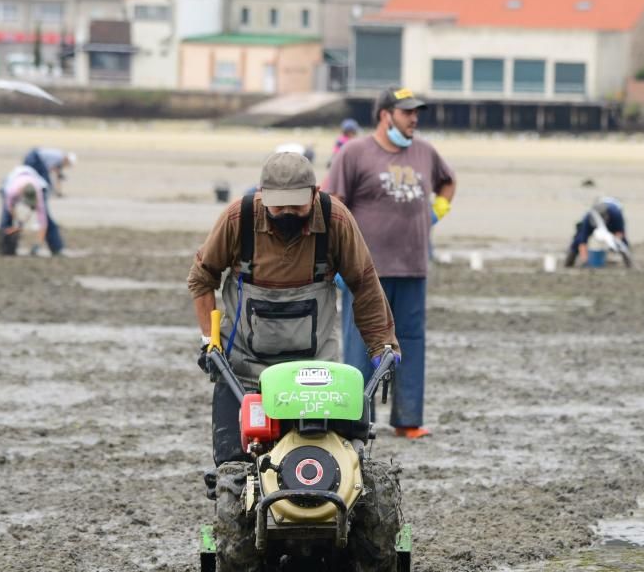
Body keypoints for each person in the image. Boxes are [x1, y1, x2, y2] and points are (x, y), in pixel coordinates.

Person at [187, 151, 401, 466]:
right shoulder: (239, 219)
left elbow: (365, 283)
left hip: (315, 374)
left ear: (315, 195)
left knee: (338, 459)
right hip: (246, 370)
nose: (287, 212)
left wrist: (382, 345)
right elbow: (201, 278)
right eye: (279, 205)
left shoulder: (335, 220)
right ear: (261, 196)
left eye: (296, 205)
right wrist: (210, 341)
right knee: (235, 464)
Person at [324, 87, 456, 439]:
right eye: (407, 112)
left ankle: (408, 419)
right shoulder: (354, 153)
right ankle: (353, 420)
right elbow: (333, 203)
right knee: (360, 345)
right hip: (366, 273)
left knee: (410, 343)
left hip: (413, 267)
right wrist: (337, 259)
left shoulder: (426, 152)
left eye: (417, 113)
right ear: (386, 115)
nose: (414, 119)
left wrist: (436, 212)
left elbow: (448, 181)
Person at [20, 147, 75, 255]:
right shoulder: (58, 157)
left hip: (32, 162)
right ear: (67, 159)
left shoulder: (58, 161)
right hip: (33, 158)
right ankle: (56, 247)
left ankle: (56, 247)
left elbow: (56, 176)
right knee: (45, 190)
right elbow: (49, 173)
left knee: (43, 192)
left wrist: (58, 192)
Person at [565, 196, 629, 267]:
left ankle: (628, 262)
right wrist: (585, 259)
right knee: (578, 238)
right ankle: (569, 263)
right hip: (593, 220)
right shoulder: (588, 218)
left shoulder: (615, 213)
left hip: (611, 221)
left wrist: (613, 246)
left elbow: (619, 233)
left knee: (622, 242)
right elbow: (582, 241)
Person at [0, 168, 48, 255]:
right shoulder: (11, 191)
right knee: (6, 219)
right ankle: (3, 248)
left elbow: (43, 222)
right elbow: (9, 207)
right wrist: (17, 219)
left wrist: (38, 244)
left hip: (33, 177)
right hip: (14, 177)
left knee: (44, 214)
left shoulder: (39, 195)